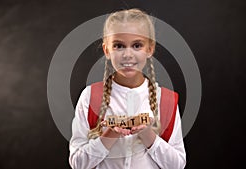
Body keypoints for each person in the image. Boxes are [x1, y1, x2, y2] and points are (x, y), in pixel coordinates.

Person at [69, 8, 186, 169]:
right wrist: (109, 135)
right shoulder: (90, 97)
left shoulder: (166, 100)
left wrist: (148, 136)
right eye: (118, 46)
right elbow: (77, 163)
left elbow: (177, 165)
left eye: (137, 45)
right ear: (107, 50)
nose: (128, 55)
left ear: (150, 49)